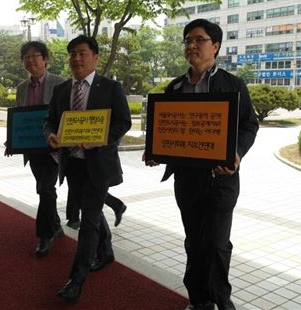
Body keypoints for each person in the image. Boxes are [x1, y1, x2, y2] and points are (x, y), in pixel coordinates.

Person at [143, 19, 259, 310]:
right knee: (194, 242)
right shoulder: (175, 88)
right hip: (187, 181)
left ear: (215, 46)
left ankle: (222, 300)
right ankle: (199, 300)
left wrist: (237, 154)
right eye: (187, 40)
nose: (191, 45)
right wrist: (156, 152)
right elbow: (169, 133)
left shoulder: (233, 85)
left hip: (221, 179)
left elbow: (249, 125)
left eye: (199, 40)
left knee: (217, 244)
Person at [45, 35, 132, 302]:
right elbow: (50, 122)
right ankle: (106, 254)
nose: (77, 58)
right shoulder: (61, 90)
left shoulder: (111, 88)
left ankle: (77, 280)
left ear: (95, 57)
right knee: (89, 211)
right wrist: (50, 135)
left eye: (82, 53)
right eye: (72, 53)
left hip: (99, 164)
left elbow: (124, 122)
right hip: (72, 164)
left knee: (88, 221)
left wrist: (101, 138)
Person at [8, 41, 66, 257]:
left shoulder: (60, 84)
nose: (30, 60)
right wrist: (11, 141)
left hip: (53, 148)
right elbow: (20, 119)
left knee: (45, 189)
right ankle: (57, 225)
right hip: (33, 150)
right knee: (45, 189)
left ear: (45, 59)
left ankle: (45, 235)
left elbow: (65, 116)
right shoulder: (22, 88)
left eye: (35, 56)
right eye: (26, 57)